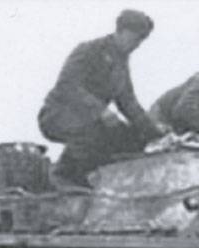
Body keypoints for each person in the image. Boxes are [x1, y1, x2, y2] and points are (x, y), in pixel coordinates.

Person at [38, 9, 167, 187]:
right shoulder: (89, 50)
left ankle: (107, 179)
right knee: (93, 132)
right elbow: (67, 85)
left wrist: (154, 132)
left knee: (131, 138)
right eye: (135, 38)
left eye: (141, 40)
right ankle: (63, 176)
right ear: (121, 31)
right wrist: (100, 110)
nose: (137, 45)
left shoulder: (121, 64)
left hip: (92, 120)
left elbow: (128, 103)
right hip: (57, 115)